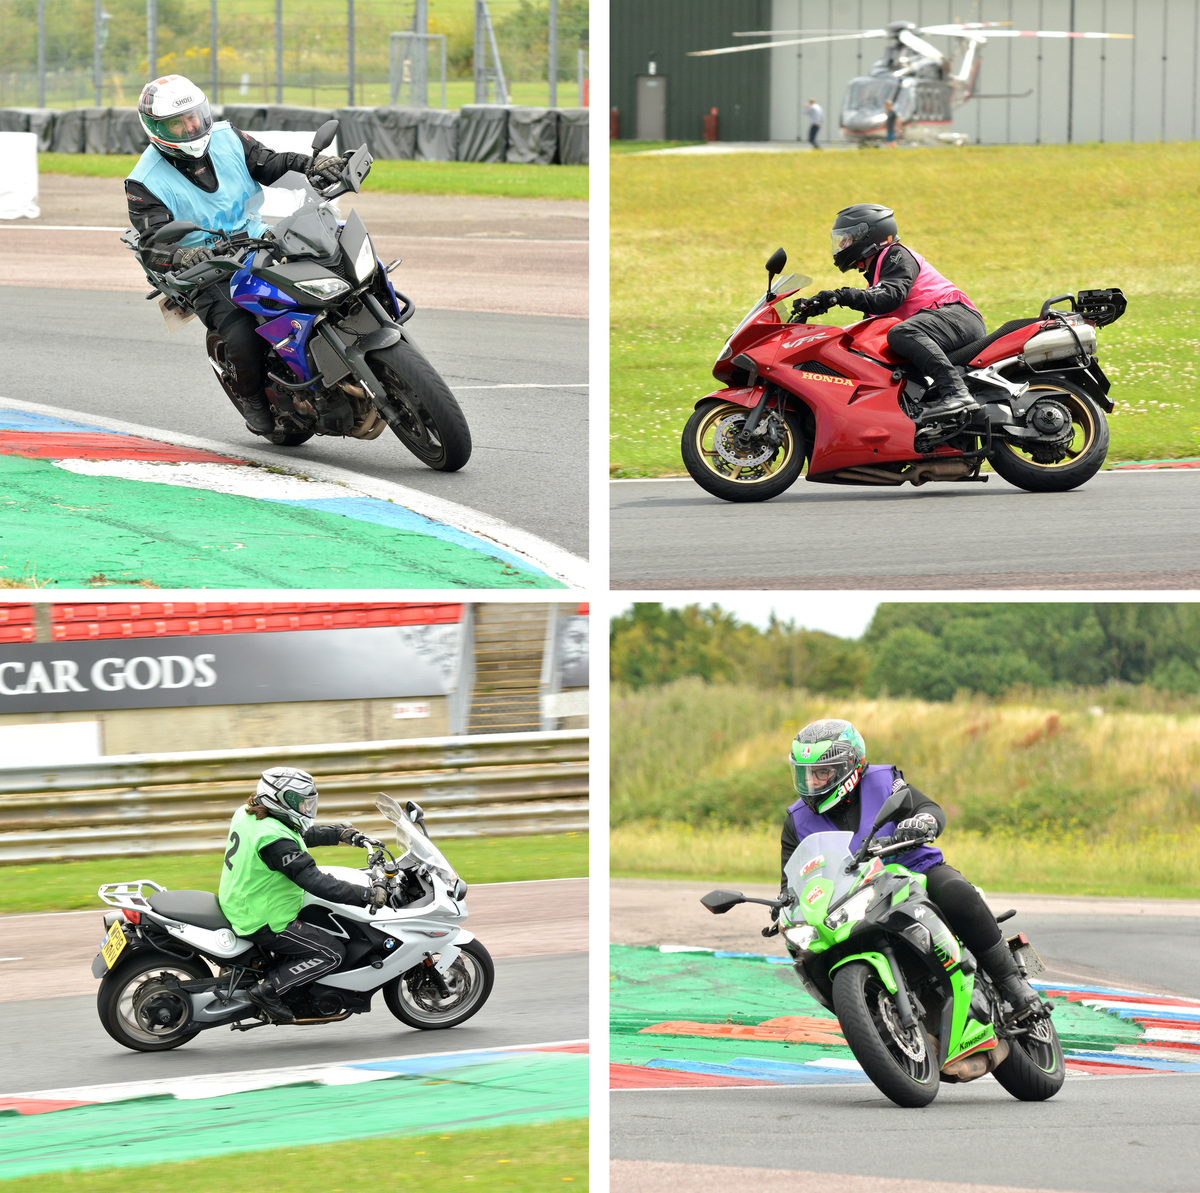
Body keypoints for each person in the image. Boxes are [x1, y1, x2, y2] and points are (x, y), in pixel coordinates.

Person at [125, 74, 348, 435]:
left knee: (332, 262)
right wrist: (183, 257)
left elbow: (269, 163)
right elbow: (152, 245)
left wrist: (311, 166)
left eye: (193, 117)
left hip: (257, 237)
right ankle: (253, 399)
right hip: (206, 266)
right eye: (177, 123)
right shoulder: (143, 181)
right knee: (241, 332)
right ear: (155, 128)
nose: (190, 127)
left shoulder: (228, 137)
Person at [780, 718, 1043, 1020]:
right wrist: (783, 908)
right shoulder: (795, 821)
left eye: (822, 773)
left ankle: (1012, 983)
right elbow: (790, 882)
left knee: (955, 893)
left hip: (913, 870)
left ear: (849, 765)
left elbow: (926, 808)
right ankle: (869, 1016)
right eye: (806, 774)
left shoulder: (883, 781)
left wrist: (921, 822)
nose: (813, 783)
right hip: (849, 897)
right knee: (810, 952)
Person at [217, 765, 387, 1023]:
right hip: (264, 918)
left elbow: (296, 834)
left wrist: (340, 834)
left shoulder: (249, 814)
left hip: (242, 900)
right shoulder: (274, 840)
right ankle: (268, 991)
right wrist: (366, 895)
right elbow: (316, 882)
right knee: (331, 952)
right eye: (299, 802)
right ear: (279, 799)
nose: (306, 808)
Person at [807, 203, 985, 422]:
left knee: (902, 333)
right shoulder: (876, 278)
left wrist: (839, 296)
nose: (842, 245)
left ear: (868, 235)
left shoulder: (895, 255)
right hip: (940, 325)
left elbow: (888, 297)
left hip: (958, 316)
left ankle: (957, 392)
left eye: (847, 238)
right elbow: (870, 326)